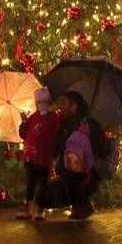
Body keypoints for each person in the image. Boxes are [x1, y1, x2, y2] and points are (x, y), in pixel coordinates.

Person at [51, 91, 107, 219]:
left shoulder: (89, 124)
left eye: (63, 102)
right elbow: (58, 149)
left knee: (73, 176)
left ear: (74, 107)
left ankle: (83, 205)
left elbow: (103, 149)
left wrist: (90, 133)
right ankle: (79, 206)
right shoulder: (63, 125)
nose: (59, 105)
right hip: (68, 173)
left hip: (87, 175)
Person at [17, 86, 58, 220]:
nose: (42, 106)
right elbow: (24, 135)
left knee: (43, 184)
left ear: (49, 104)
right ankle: (28, 208)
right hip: (31, 157)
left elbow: (50, 132)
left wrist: (46, 116)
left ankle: (41, 209)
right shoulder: (34, 117)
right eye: (39, 103)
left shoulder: (52, 117)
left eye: (44, 103)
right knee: (31, 184)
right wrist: (24, 122)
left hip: (44, 157)